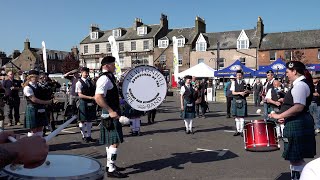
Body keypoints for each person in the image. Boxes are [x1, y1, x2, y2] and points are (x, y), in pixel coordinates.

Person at [269, 61, 316, 180]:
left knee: (295, 159)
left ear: (294, 71)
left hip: (298, 123)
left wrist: (279, 116)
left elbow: (298, 106)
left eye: (287, 72)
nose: (286, 75)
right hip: (297, 121)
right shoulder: (300, 84)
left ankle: (303, 177)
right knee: (296, 158)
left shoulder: (300, 85)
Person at [95, 56, 127, 178]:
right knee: (114, 142)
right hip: (110, 115)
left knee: (111, 142)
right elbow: (98, 97)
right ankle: (112, 169)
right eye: (113, 65)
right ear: (107, 66)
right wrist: (110, 110)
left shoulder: (109, 78)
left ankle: (110, 165)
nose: (115, 67)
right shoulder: (104, 79)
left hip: (112, 113)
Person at [23, 70, 53, 137]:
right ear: (30, 77)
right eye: (34, 77)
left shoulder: (39, 86)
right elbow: (34, 100)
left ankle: (38, 144)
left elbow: (44, 94)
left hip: (40, 108)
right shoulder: (27, 88)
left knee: (40, 128)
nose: (36, 79)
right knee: (33, 129)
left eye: (37, 77)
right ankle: (31, 144)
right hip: (32, 108)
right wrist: (47, 102)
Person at [76, 67, 96, 143]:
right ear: (81, 72)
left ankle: (89, 136)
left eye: (87, 72)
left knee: (89, 120)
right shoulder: (79, 82)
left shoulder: (90, 82)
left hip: (90, 102)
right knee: (82, 120)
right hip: (83, 102)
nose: (86, 74)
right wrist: (91, 97)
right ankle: (84, 136)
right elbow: (80, 95)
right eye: (85, 72)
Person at [230, 70, 250, 136]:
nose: (239, 76)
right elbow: (233, 92)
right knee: (236, 117)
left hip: (242, 100)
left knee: (242, 117)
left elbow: (248, 91)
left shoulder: (245, 82)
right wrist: (240, 93)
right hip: (235, 100)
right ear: (236, 76)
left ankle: (241, 131)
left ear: (242, 76)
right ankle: (237, 130)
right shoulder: (233, 82)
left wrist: (247, 91)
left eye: (240, 75)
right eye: (237, 75)